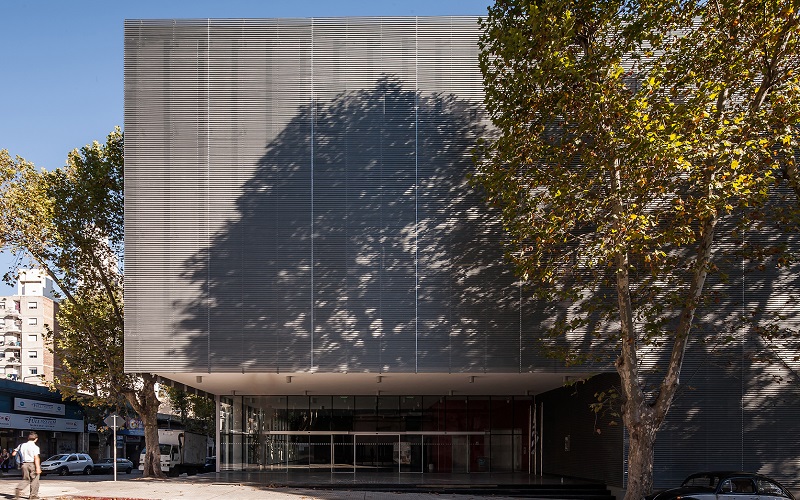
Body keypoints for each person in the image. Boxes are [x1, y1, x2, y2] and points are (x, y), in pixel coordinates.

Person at [12, 432, 40, 500]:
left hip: (23, 464)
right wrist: (38, 468)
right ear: (36, 439)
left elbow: (13, 454)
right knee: (35, 480)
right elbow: (36, 458)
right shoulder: (35, 447)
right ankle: (33, 496)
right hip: (32, 464)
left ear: (28, 438)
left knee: (25, 479)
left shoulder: (21, 445)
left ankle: (18, 489)